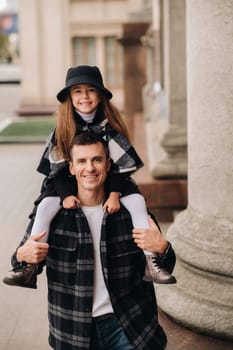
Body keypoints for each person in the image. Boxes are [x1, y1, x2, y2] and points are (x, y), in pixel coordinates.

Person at [3, 65, 176, 288]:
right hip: (63, 180)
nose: (84, 96)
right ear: (70, 97)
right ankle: (27, 267)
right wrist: (65, 194)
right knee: (46, 206)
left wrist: (114, 194)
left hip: (114, 180)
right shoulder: (63, 129)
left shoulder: (110, 127)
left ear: (101, 96)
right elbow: (55, 168)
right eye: (77, 91)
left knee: (136, 202)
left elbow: (120, 167)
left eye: (91, 90)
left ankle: (151, 260)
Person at [8, 132, 176, 349]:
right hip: (72, 330)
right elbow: (19, 263)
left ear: (108, 164)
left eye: (97, 159)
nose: (90, 168)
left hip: (130, 328)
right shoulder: (54, 216)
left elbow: (164, 266)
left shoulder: (130, 213)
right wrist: (22, 255)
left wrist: (163, 247)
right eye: (81, 161)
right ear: (71, 168)